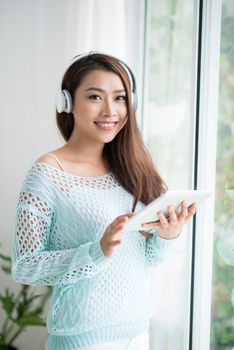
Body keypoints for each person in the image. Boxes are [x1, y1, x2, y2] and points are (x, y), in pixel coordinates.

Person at [11, 52, 197, 350]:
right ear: (67, 103)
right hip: (81, 340)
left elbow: (148, 260)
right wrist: (97, 251)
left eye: (120, 98)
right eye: (95, 97)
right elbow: (25, 267)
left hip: (138, 335)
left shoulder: (132, 169)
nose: (110, 110)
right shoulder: (47, 173)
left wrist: (168, 235)